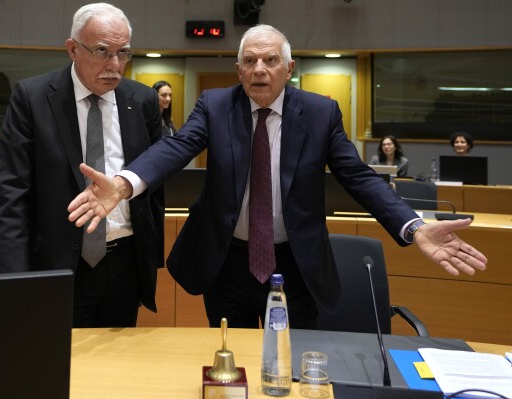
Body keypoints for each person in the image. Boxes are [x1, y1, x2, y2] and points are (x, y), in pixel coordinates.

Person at [68, 24, 487, 330]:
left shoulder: (321, 114)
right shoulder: (215, 106)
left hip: (295, 266)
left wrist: (413, 226)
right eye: (249, 61)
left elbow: (358, 176)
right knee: (232, 360)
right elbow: (175, 149)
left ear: (289, 68)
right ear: (238, 69)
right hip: (226, 262)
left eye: (270, 60)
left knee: (291, 362)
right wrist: (123, 184)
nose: (259, 69)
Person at [0, 3, 164, 328]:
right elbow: (11, 198)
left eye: (123, 53)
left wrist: (152, 258)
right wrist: (13, 282)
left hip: (126, 263)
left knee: (118, 370)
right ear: (73, 48)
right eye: (102, 51)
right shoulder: (33, 98)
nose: (114, 65)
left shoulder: (142, 101)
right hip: (58, 266)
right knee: (57, 370)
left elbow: (153, 183)